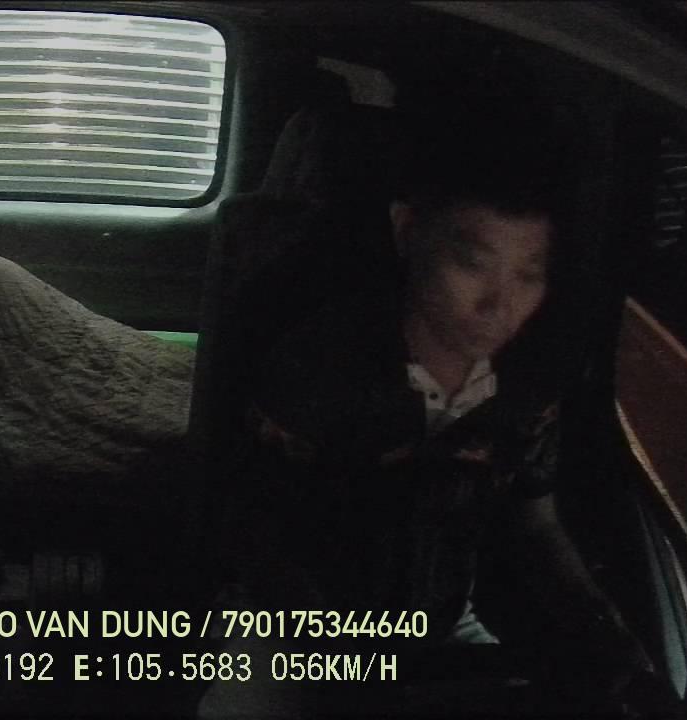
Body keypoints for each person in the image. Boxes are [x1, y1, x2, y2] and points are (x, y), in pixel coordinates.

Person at [198, 84, 659, 717]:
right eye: (473, 265)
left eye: (528, 275)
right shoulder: (321, 368)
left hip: (441, 618)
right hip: (294, 626)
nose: (499, 306)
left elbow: (535, 521)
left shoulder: (526, 387)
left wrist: (606, 635)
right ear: (407, 230)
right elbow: (258, 534)